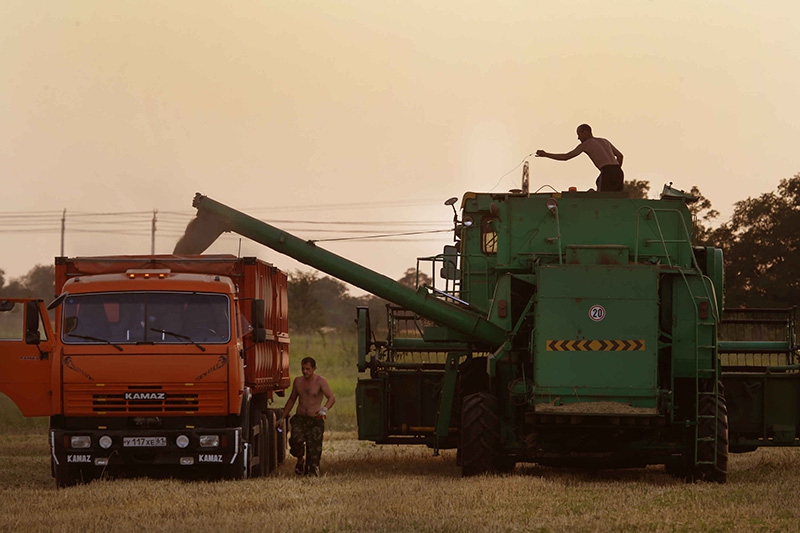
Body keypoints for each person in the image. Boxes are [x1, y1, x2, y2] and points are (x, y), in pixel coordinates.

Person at [282, 356, 336, 477]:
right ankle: (300, 459)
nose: (304, 371)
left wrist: (324, 409)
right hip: (300, 418)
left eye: (307, 369)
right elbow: (291, 399)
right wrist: (282, 417)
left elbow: (331, 398)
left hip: (315, 419)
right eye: (303, 368)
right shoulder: (298, 381)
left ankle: (312, 469)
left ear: (314, 368)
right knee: (295, 440)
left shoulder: (320, 381)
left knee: (314, 448)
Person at [536, 124, 624, 192]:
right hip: (618, 172)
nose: (578, 138)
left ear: (584, 133)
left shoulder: (586, 144)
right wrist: (615, 171)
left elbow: (566, 156)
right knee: (615, 197)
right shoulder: (604, 141)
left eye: (579, 134)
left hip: (606, 171)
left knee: (603, 200)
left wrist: (546, 154)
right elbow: (620, 156)